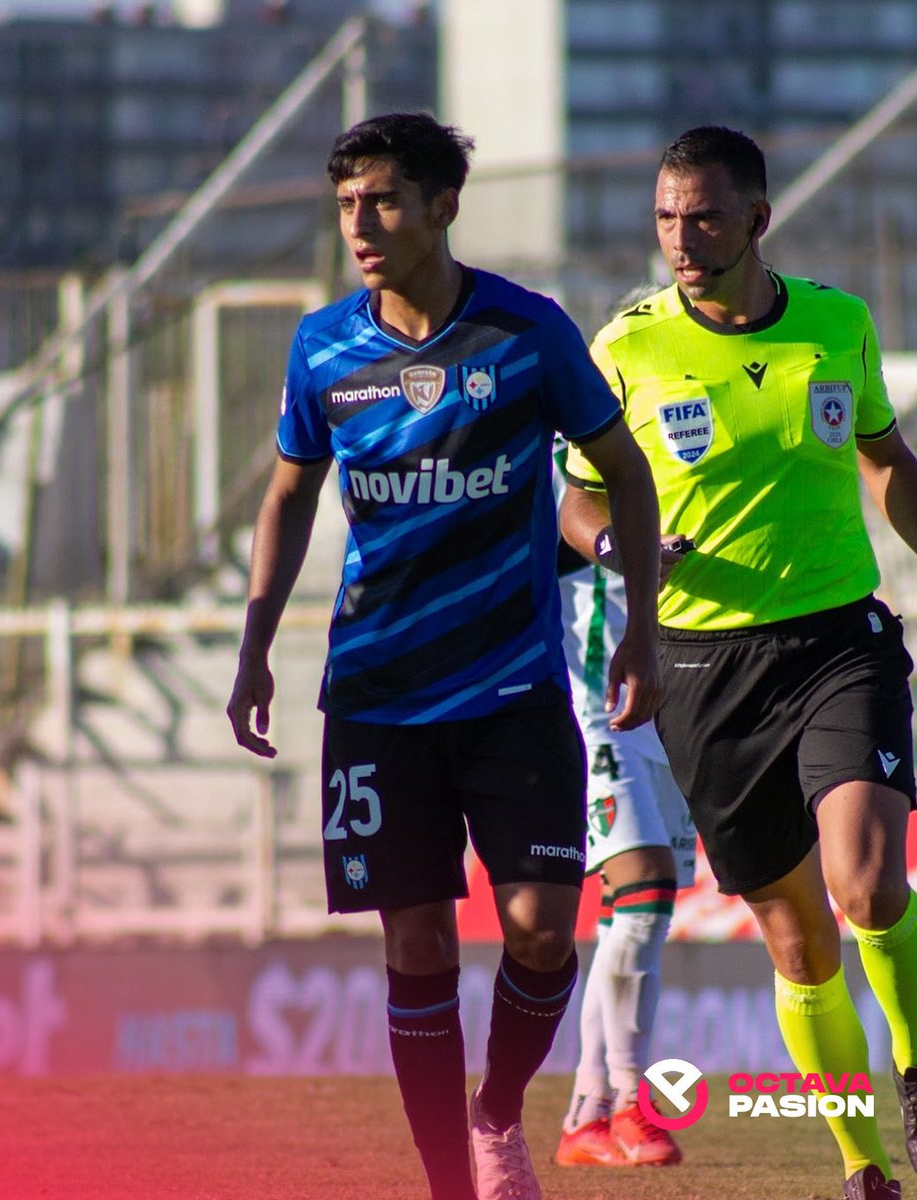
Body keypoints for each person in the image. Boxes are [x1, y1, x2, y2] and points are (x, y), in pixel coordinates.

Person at [226, 111, 662, 1200]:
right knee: (417, 948)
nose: (360, 224)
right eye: (345, 205)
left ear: (440, 206)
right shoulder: (325, 346)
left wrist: (643, 625)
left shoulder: (528, 334)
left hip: (514, 688)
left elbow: (626, 474)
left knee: (541, 931)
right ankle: (448, 1186)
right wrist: (254, 644)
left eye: (380, 200)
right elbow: (289, 494)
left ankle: (498, 1114)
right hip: (376, 695)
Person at [559, 123, 917, 1200]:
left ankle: (913, 1071)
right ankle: (864, 1167)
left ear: (757, 220)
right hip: (704, 671)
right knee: (800, 944)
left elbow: (886, 462)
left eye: (705, 215)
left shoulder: (837, 326)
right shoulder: (622, 348)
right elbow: (578, 499)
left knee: (867, 879)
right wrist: (619, 541)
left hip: (835, 640)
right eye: (668, 216)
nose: (682, 235)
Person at [553, 432, 696, 1169]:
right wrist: (623, 547)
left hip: (681, 695)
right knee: (643, 894)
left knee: (637, 917)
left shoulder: (673, 426)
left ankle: (588, 1114)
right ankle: (634, 1101)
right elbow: (548, 541)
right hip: (598, 704)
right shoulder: (557, 447)